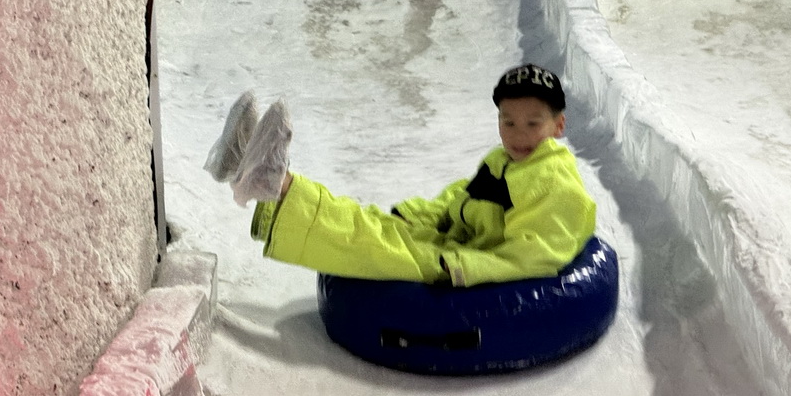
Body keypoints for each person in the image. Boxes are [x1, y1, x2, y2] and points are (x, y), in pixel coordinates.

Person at [204, 64, 597, 287]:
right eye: (508, 122)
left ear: (559, 125)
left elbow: (535, 256)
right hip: (455, 241)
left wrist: (467, 268)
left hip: (471, 262)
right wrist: (418, 216)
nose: (519, 134)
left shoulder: (555, 184)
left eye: (533, 123)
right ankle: (253, 170)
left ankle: (270, 180)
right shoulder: (504, 161)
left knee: (372, 243)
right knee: (366, 220)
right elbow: (461, 199)